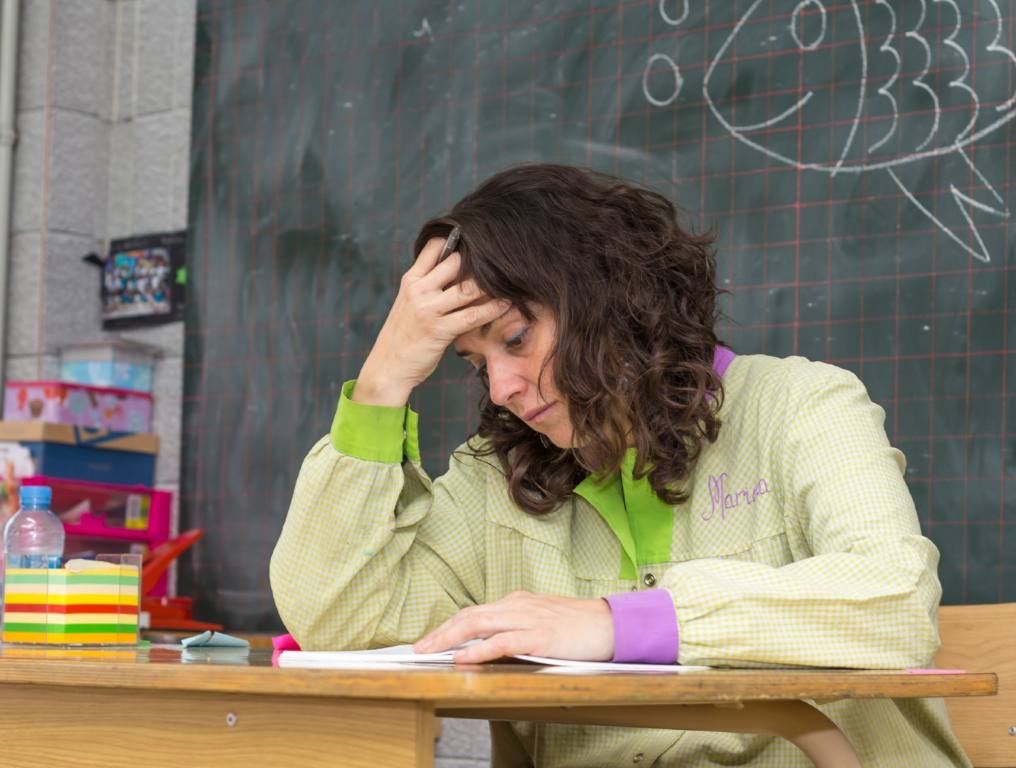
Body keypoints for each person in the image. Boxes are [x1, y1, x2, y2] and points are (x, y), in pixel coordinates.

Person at [270, 164, 968, 767]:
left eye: (515, 338)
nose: (501, 388)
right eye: (475, 363)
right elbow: (341, 617)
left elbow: (895, 601)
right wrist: (384, 380)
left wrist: (617, 624)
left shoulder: (801, 405)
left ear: (607, 296)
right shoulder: (497, 479)